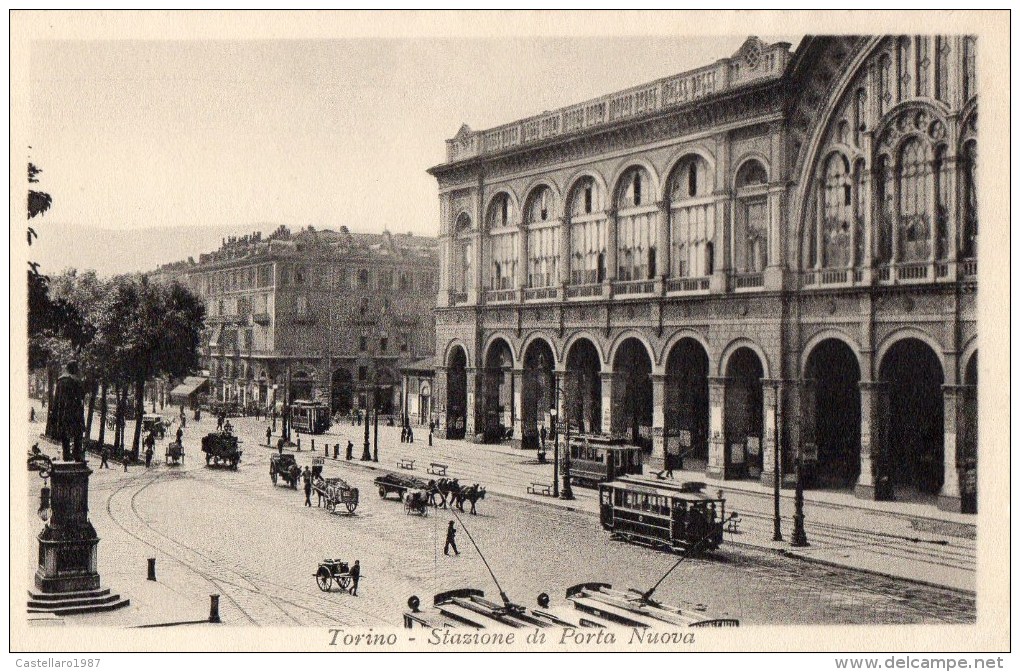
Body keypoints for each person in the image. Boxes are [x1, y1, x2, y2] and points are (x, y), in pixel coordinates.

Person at [51, 361, 86, 461]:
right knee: (78, 432)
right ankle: (77, 454)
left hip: (62, 412)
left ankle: (66, 454)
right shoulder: (76, 380)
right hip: (75, 411)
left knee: (64, 433)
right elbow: (81, 395)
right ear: (74, 369)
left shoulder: (60, 380)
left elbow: (56, 398)